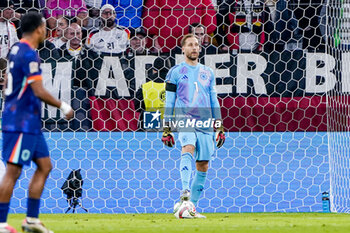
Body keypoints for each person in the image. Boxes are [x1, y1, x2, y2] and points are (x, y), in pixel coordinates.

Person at [0, 12, 73, 233]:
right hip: (20, 122)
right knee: (13, 172)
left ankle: (31, 220)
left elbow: (6, 85)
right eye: (44, 26)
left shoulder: (14, 49)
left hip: (29, 121)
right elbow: (38, 89)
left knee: (45, 166)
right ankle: (1, 223)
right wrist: (63, 106)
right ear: (40, 28)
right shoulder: (29, 54)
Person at [162, 34, 225, 218]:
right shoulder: (175, 72)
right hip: (185, 118)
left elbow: (214, 99)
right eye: (190, 45)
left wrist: (219, 126)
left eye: (197, 45)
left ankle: (190, 208)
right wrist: (167, 128)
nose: (194, 48)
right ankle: (185, 190)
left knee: (203, 165)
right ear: (183, 49)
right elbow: (170, 102)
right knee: (188, 147)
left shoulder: (208, 72)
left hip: (205, 122)